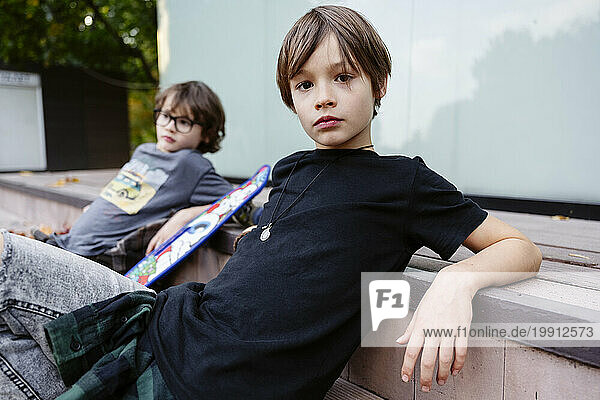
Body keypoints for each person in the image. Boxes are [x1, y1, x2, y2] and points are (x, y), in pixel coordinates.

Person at [0, 5, 542, 400]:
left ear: (378, 84)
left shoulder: (402, 182)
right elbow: (271, 239)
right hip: (165, 325)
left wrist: (456, 283)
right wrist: (195, 212)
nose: (323, 95)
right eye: (304, 85)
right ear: (292, 99)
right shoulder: (288, 171)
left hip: (216, 378)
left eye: (342, 76)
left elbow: (518, 247)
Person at [37, 81, 234, 272]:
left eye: (183, 122)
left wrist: (186, 216)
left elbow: (240, 200)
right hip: (70, 243)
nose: (170, 127)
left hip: (97, 258)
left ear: (207, 134)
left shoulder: (190, 164)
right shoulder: (144, 151)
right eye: (165, 116)